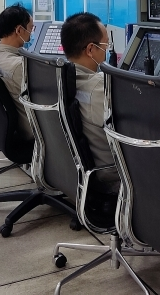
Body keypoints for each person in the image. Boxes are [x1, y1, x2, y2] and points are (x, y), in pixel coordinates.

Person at [60, 12, 120, 192]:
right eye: (105, 45)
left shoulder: (59, 79)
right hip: (112, 177)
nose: (107, 50)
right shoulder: (100, 89)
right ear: (90, 49)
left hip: (70, 172)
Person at [0, 4, 35, 142]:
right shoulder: (19, 66)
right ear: (19, 30)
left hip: (17, 127)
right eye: (31, 29)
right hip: (32, 130)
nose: (31, 33)